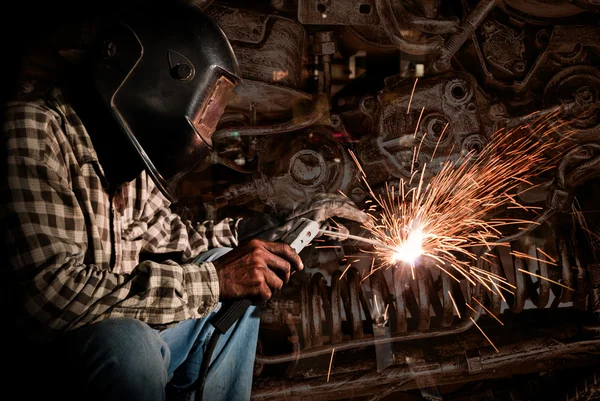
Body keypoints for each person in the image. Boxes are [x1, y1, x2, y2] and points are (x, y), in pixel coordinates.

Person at [0, 2, 367, 400]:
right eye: (206, 108)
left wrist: (274, 229)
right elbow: (49, 298)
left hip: (118, 335)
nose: (204, 129)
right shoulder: (32, 130)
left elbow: (186, 241)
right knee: (129, 346)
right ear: (162, 77)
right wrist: (215, 280)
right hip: (58, 357)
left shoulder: (127, 163)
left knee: (236, 272)